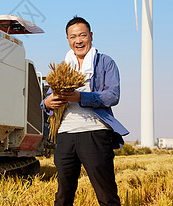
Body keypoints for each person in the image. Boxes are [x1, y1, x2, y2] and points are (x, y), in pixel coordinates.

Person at [41, 16, 129, 206]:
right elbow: (45, 102)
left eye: (82, 35)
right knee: (63, 195)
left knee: (106, 194)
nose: (78, 40)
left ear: (91, 36)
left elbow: (113, 95)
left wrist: (81, 97)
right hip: (65, 134)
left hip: (95, 132)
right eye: (73, 37)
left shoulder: (105, 62)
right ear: (67, 40)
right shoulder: (63, 67)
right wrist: (48, 102)